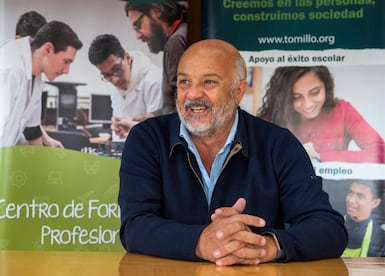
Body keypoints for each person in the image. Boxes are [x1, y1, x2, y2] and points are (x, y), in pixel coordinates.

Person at [118, 39, 348, 266]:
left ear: (237, 91)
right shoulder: (147, 139)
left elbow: (328, 228)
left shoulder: (278, 144)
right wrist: (201, 241)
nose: (193, 94)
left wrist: (265, 245)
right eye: (184, 82)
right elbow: (135, 226)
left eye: (208, 82)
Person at [257, 66, 385, 164]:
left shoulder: (342, 110)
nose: (307, 104)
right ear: (284, 98)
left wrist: (319, 156)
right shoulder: (271, 118)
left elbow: (383, 155)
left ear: (326, 87)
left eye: (315, 92)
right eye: (296, 97)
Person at [0, 21, 82, 147]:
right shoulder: (10, 68)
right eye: (66, 61)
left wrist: (44, 153)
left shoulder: (36, 75)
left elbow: (31, 129)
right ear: (48, 49)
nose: (66, 70)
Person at [121, 2, 187, 130]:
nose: (138, 36)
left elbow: (182, 109)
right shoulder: (183, 33)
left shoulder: (176, 42)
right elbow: (173, 107)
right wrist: (142, 119)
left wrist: (143, 129)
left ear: (157, 11)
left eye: (138, 26)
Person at [88, 34, 162, 139]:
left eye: (117, 69)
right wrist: (117, 127)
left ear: (127, 58)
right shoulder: (115, 85)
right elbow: (119, 134)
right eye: (107, 75)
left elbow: (158, 133)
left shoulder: (154, 81)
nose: (115, 80)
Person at [13, 11, 64, 148]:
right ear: (19, 41)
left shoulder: (35, 78)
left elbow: (32, 128)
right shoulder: (9, 71)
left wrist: (47, 141)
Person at [342, 180, 385, 257]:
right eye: (350, 193)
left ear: (375, 203)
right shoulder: (331, 227)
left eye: (360, 196)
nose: (351, 200)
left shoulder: (383, 239)